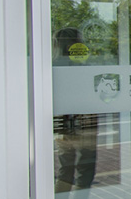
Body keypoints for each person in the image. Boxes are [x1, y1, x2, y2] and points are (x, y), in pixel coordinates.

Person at [51, 27, 98, 199]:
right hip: (84, 124)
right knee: (85, 168)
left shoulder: (52, 66)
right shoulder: (83, 67)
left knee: (65, 168)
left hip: (61, 124)